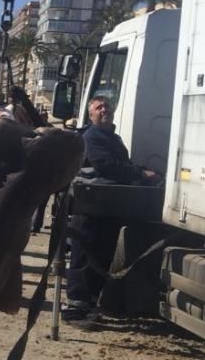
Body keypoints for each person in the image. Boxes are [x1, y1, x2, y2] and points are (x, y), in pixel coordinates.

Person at [64, 95, 158, 322]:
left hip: (107, 209)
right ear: (91, 113)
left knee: (102, 258)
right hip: (89, 208)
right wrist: (140, 174)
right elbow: (106, 166)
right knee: (85, 260)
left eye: (107, 106)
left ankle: (90, 306)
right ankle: (76, 309)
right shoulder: (91, 137)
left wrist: (143, 171)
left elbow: (122, 164)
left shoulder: (113, 138)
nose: (104, 110)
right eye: (98, 107)